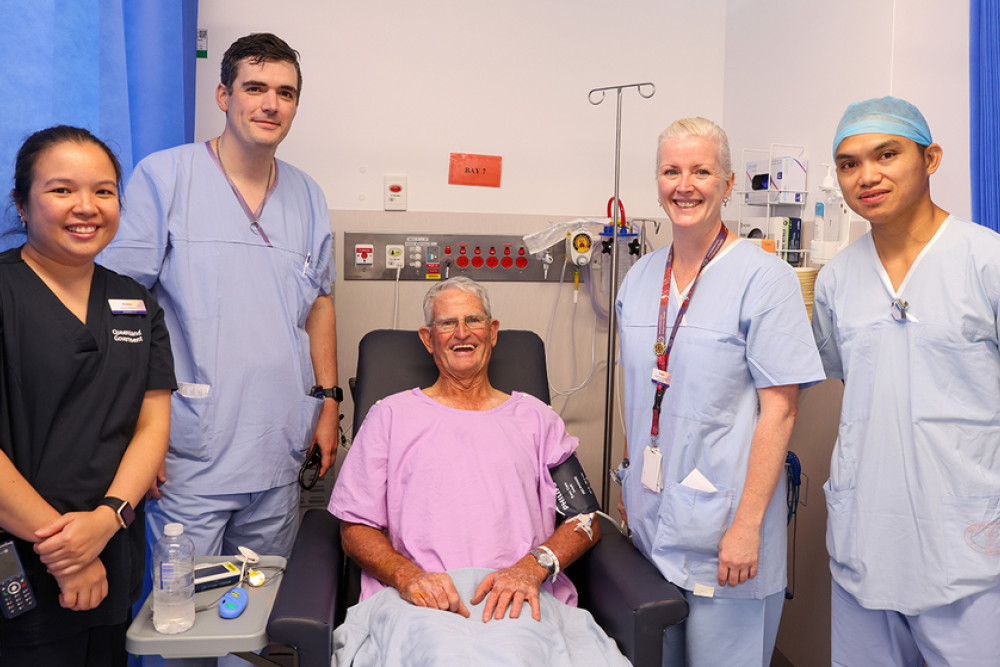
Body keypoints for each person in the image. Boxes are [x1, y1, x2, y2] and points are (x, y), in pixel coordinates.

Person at [99, 33, 339, 567]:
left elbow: (320, 301)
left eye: (286, 92)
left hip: (277, 446)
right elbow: (120, 302)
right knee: (179, 620)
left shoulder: (309, 196)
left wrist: (328, 400)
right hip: (190, 448)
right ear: (223, 95)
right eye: (254, 87)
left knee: (254, 618)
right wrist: (135, 429)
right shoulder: (166, 177)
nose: (270, 103)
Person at [328, 277, 627, 665]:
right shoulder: (390, 417)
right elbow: (355, 528)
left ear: (493, 331)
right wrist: (408, 577)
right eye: (447, 323)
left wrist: (530, 568)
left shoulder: (537, 420)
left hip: (518, 598)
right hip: (422, 603)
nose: (462, 333)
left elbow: (584, 519)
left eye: (473, 320)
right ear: (427, 337)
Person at [614, 117, 825, 667]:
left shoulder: (765, 279)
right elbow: (639, 393)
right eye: (671, 171)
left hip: (726, 532)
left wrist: (749, 526)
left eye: (701, 171)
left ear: (728, 183)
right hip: (651, 519)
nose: (685, 185)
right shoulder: (638, 279)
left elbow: (781, 410)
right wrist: (632, 474)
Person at [812, 96, 1000, 666]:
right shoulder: (837, 281)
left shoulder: (985, 261)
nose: (866, 176)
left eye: (886, 154)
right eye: (848, 164)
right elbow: (863, 389)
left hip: (968, 545)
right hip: (865, 538)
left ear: (931, 158)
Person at [0, 125, 175, 665]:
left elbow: (152, 427)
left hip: (112, 547)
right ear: (22, 204)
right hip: (22, 557)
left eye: (103, 191)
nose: (87, 206)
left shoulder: (136, 304)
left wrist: (106, 521)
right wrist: (70, 556)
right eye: (61, 189)